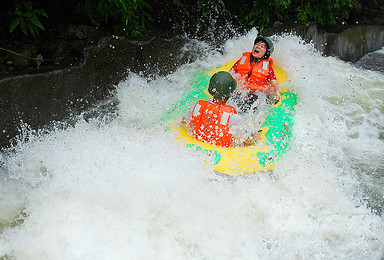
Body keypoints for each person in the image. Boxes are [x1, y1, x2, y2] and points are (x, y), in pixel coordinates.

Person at [183, 71, 260, 147]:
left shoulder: (196, 107)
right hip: (221, 153)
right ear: (230, 94)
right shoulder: (233, 118)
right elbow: (247, 141)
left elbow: (184, 121)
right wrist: (255, 137)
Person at [229, 35, 281, 112]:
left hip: (255, 97)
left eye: (262, 46)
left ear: (266, 53)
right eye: (257, 44)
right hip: (239, 93)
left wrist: (277, 93)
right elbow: (230, 74)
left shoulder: (267, 68)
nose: (258, 46)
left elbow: (274, 83)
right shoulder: (242, 60)